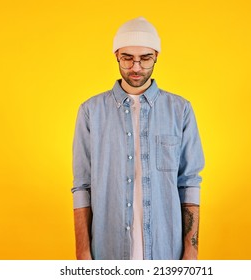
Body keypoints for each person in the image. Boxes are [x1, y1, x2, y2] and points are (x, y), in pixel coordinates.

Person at [72, 17, 205, 260]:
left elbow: (189, 184)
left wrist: (191, 251)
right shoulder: (90, 111)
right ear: (116, 55)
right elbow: (82, 186)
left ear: (156, 55)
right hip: (107, 250)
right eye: (127, 58)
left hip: (167, 251)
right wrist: (82, 252)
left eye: (145, 58)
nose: (135, 67)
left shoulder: (180, 110)